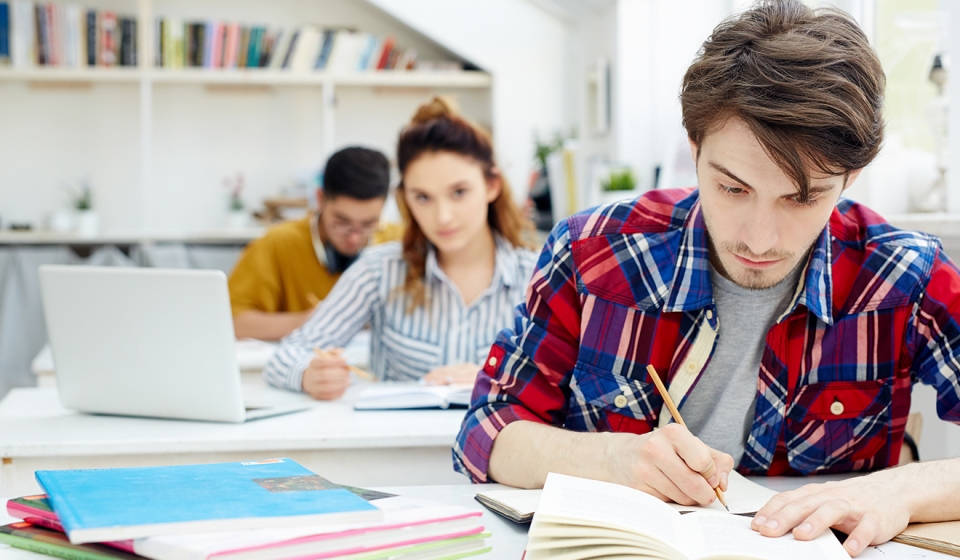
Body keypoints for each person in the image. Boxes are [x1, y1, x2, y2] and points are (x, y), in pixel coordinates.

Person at [453, 1, 960, 556]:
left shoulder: (905, 276)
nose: (760, 240)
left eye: (802, 198)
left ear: (850, 177)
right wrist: (611, 459)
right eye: (733, 188)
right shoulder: (593, 253)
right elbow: (487, 430)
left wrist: (899, 488)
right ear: (694, 149)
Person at [264, 97, 538, 400]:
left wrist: (498, 380)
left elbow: (569, 389)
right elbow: (287, 355)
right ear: (405, 198)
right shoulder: (379, 270)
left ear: (491, 185)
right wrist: (308, 374)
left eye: (459, 192)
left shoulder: (538, 279)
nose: (442, 217)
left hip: (496, 433)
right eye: (423, 197)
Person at [229, 147, 400, 341]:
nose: (354, 238)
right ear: (320, 199)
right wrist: (312, 320)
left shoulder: (400, 243)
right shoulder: (278, 243)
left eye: (369, 224)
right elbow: (231, 321)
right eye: (342, 222)